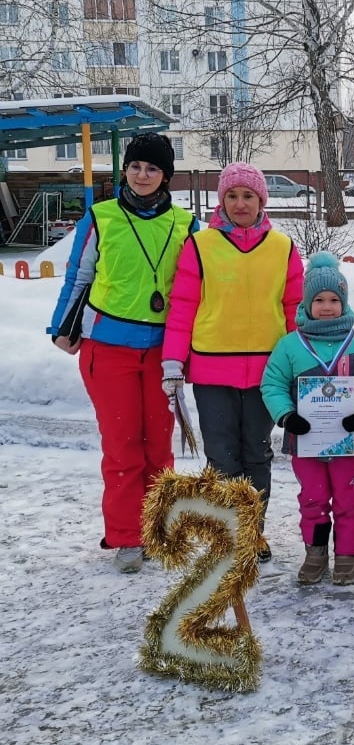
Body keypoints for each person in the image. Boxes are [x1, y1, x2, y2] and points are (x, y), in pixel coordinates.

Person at [48, 134, 197, 574]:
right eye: (135, 167)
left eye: (152, 168)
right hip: (107, 348)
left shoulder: (186, 224)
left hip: (163, 352)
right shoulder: (102, 217)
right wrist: (62, 326)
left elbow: (195, 290)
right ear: (125, 170)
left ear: (165, 175)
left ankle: (157, 528)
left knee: (159, 446)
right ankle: (127, 535)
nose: (142, 175)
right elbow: (79, 276)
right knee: (122, 445)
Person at [162, 162, 304, 563]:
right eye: (232, 195)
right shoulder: (201, 246)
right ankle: (227, 532)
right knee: (221, 456)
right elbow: (183, 307)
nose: (240, 204)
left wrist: (300, 364)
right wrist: (173, 361)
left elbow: (293, 309)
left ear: (262, 200)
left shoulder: (282, 248)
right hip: (212, 369)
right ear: (221, 200)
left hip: (267, 372)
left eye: (248, 196)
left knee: (257, 453)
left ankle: (252, 532)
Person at [261, 252, 354, 585]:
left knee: (348, 497)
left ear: (344, 302)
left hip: (348, 441)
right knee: (313, 498)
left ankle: (347, 554)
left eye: (334, 299)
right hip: (306, 442)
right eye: (319, 300)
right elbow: (272, 384)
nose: (327, 306)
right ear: (307, 302)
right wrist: (287, 415)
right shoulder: (290, 345)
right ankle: (315, 552)